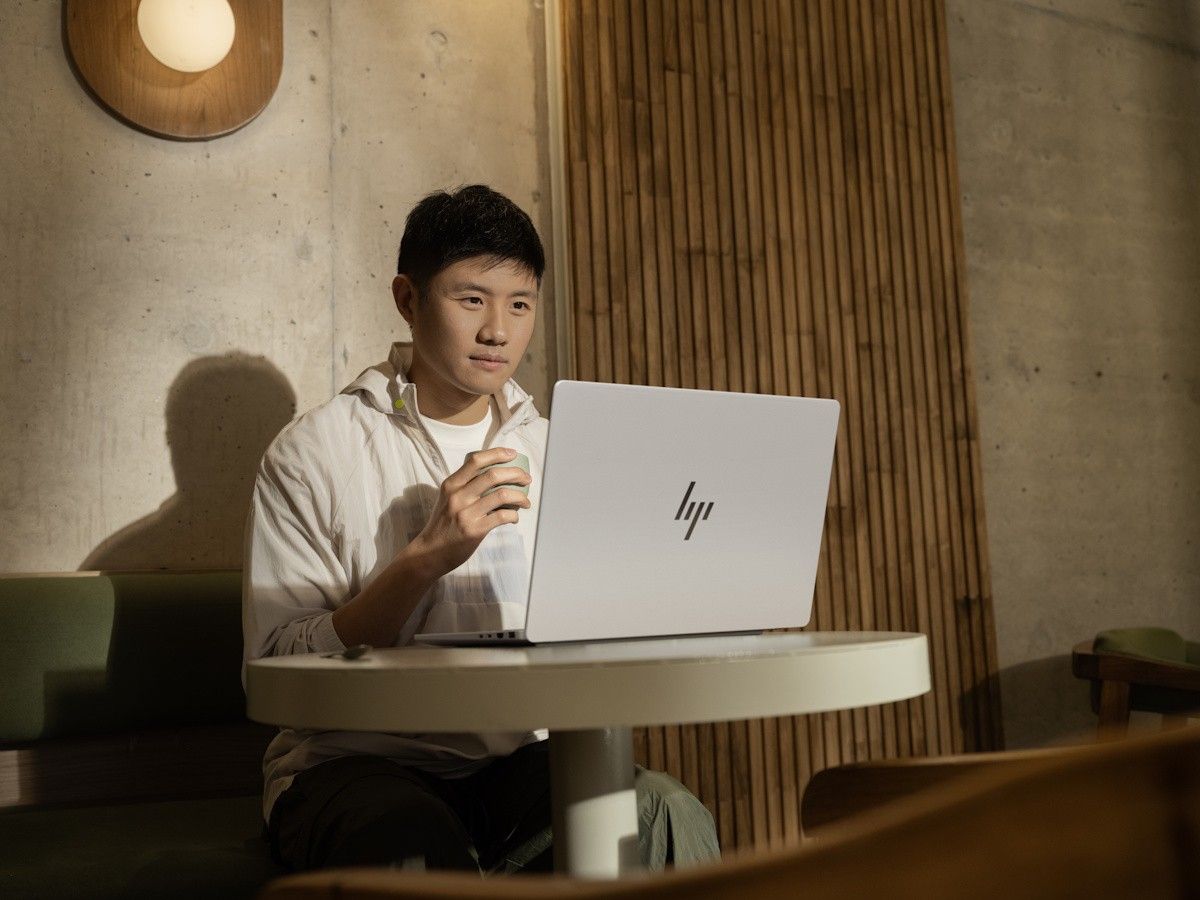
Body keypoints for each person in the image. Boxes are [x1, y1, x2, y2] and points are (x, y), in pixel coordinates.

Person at [242, 184, 719, 875]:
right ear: (408, 300)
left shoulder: (555, 448)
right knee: (407, 838)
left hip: (518, 757)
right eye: (472, 300)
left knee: (663, 812)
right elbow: (274, 670)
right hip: (355, 760)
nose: (498, 331)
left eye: (520, 305)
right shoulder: (314, 451)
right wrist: (421, 561)